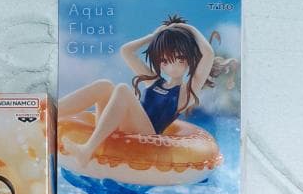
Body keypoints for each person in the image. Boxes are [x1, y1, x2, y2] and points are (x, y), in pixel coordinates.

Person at [60, 15, 235, 168]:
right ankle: (54, 112)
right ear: (161, 63)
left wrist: (186, 28)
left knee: (122, 89)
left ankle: (86, 151)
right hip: (126, 128)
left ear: (189, 61)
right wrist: (153, 36)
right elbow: (126, 51)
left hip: (147, 137)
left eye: (180, 59)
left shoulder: (186, 94)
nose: (173, 66)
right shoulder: (153, 81)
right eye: (166, 61)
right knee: (104, 85)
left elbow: (208, 54)